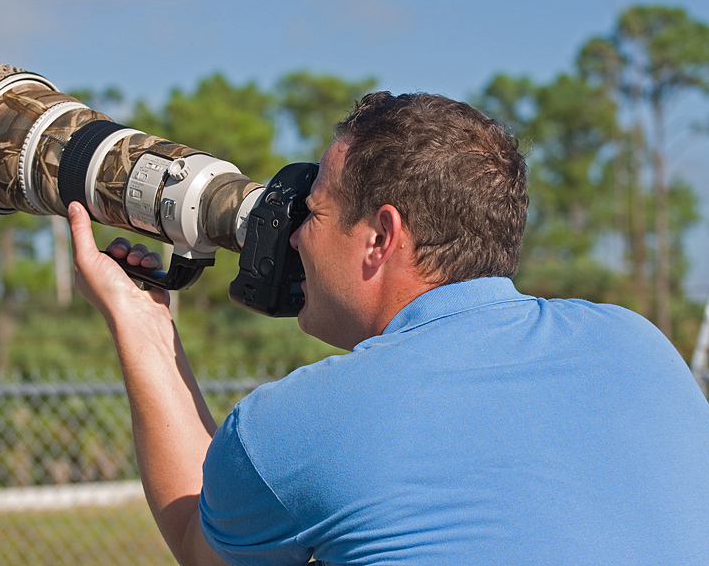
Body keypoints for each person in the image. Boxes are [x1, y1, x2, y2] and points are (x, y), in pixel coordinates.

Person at [67, 92, 709, 566]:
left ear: (380, 236)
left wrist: (139, 321)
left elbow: (196, 542)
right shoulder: (639, 345)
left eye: (312, 212)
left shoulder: (301, 421)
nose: (293, 236)